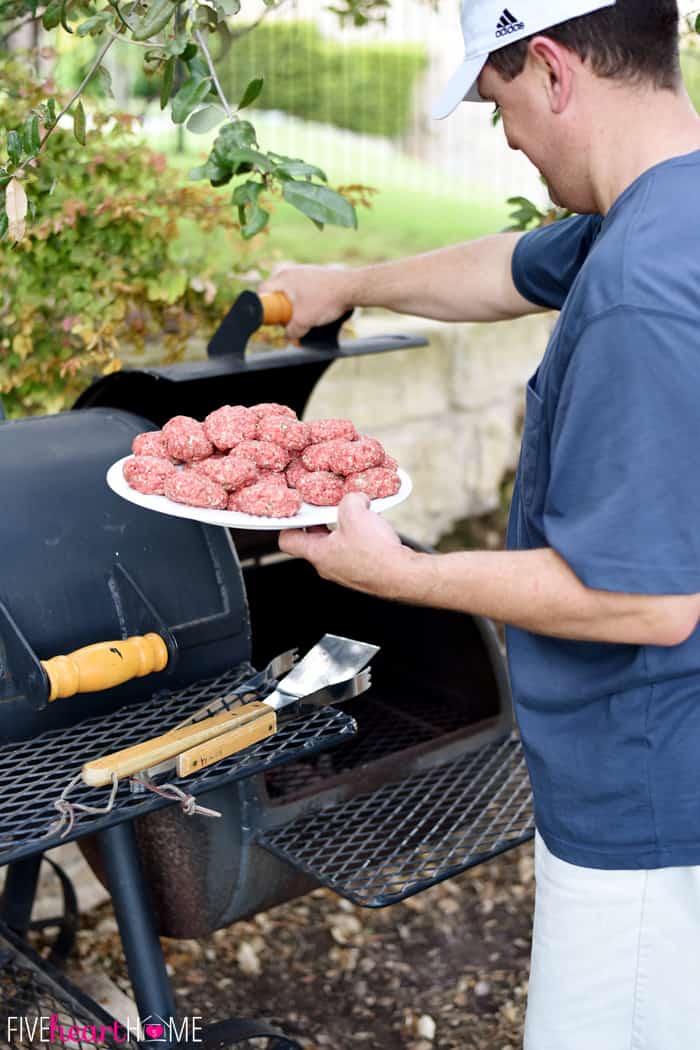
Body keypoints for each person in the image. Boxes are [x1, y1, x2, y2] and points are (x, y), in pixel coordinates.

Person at [260, 1, 700, 1047]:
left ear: (551, 69)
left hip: (646, 790)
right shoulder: (654, 220)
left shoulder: (640, 287)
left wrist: (400, 574)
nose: (503, 136)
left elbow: (644, 603)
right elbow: (510, 268)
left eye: (499, 100)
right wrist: (347, 285)